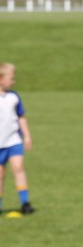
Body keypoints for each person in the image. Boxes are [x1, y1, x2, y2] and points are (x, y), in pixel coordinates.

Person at [0, 62, 34, 216]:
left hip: (14, 141)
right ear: (1, 79)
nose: (13, 82)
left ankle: (25, 202)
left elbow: (21, 117)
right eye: (11, 78)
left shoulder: (14, 96)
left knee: (19, 168)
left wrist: (26, 136)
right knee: (1, 175)